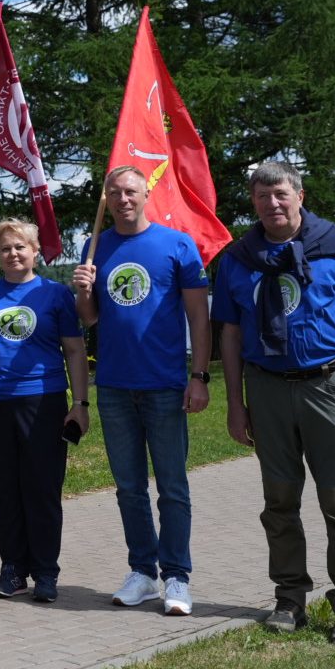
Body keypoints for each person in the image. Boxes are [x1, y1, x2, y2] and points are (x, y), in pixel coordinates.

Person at [214, 161, 335, 646]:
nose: (273, 204)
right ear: (254, 203)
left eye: (281, 194)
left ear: (300, 195)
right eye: (263, 197)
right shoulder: (238, 260)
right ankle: (290, 599)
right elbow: (229, 333)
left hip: (329, 388)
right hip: (266, 390)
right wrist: (236, 404)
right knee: (280, 502)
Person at [71, 165, 213, 617]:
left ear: (144, 194)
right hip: (114, 385)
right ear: (106, 200)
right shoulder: (96, 246)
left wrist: (199, 375)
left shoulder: (176, 244)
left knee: (172, 486)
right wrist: (83, 291)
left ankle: (177, 576)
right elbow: (90, 318)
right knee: (128, 487)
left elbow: (199, 318)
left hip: (166, 385)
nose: (122, 199)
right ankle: (142, 571)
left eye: (130, 191)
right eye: (114, 193)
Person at [0, 219, 88, 603]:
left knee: (41, 489)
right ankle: (13, 569)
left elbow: (74, 351)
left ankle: (45, 572)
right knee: (5, 489)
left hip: (43, 401)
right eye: (6, 249)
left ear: (35, 252)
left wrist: (80, 404)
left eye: (20, 247)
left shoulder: (56, 294)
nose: (13, 254)